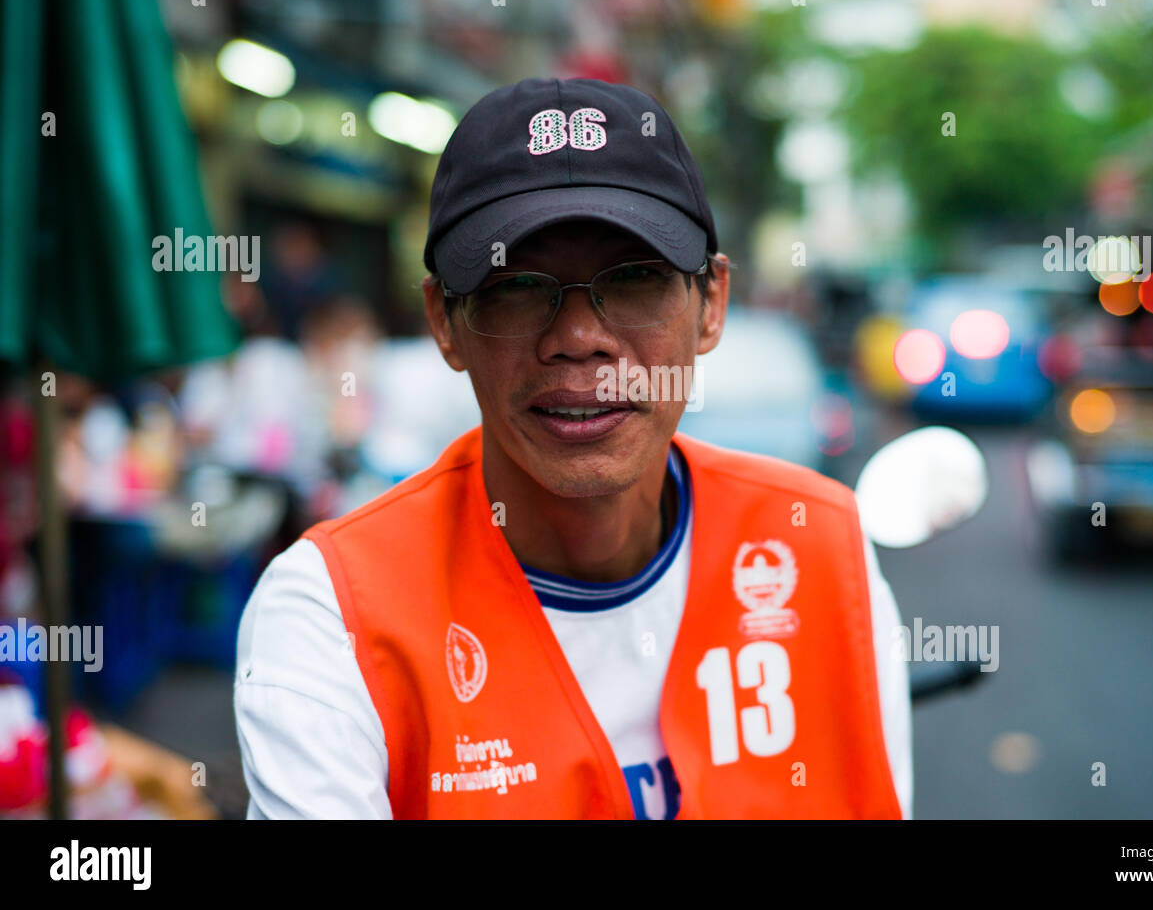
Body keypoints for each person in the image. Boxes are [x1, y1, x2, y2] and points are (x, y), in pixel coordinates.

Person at [234, 76, 912, 819]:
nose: (579, 339)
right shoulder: (332, 614)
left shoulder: (821, 546)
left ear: (711, 304)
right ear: (445, 322)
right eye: (517, 286)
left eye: (634, 279)